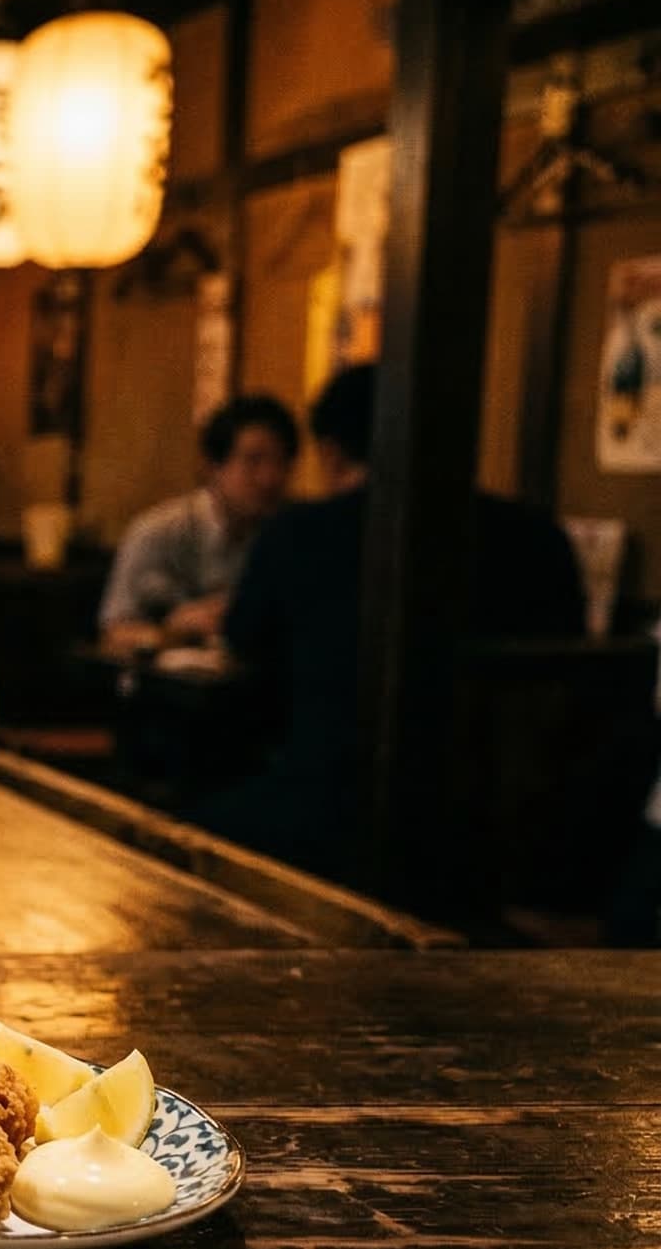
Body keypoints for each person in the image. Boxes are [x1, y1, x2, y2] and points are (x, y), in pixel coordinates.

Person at [206, 364, 585, 876]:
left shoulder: (298, 534)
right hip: (506, 836)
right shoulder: (537, 537)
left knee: (186, 835)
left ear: (332, 451)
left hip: (325, 814)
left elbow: (243, 642)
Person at [100, 395, 299, 652]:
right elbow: (114, 634)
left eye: (281, 462)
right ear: (213, 467)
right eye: (253, 461)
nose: (269, 478)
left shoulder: (286, 534)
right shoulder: (158, 532)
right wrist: (174, 630)